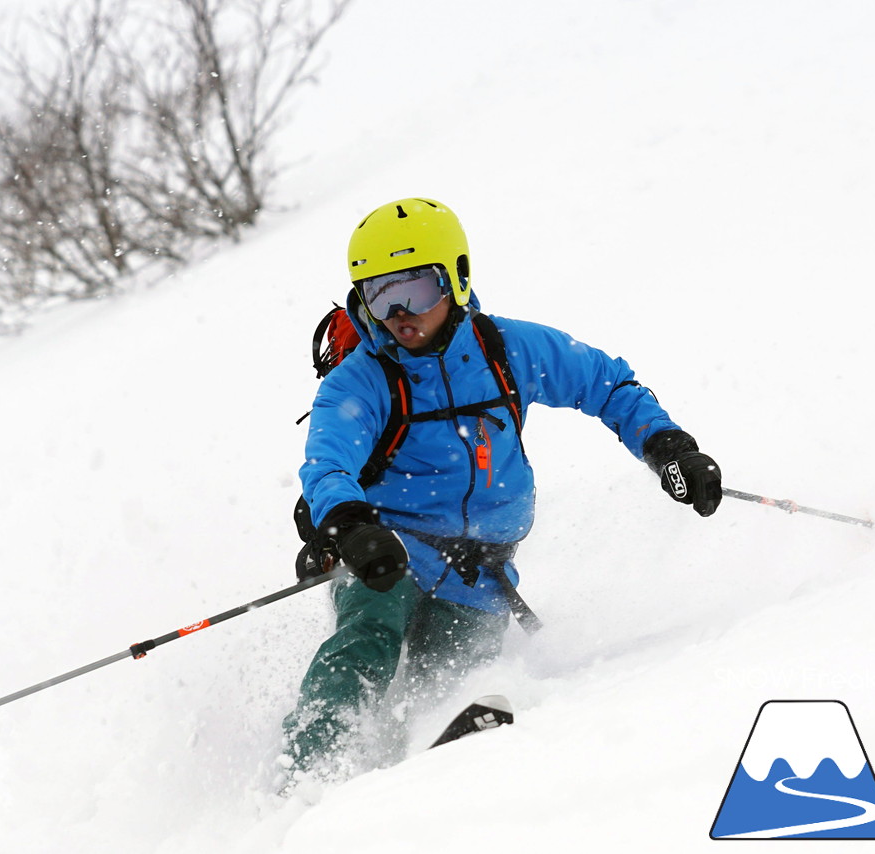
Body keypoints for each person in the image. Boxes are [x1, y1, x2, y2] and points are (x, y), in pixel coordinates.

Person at [280, 197, 721, 784]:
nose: (399, 314)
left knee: (447, 677)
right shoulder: (359, 380)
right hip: (388, 554)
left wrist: (669, 448)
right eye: (380, 296)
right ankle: (308, 772)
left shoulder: (506, 350)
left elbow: (606, 383)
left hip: (479, 574)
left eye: (417, 289)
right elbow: (327, 461)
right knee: (369, 638)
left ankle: (413, 763)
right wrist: (354, 527)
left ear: (457, 279)